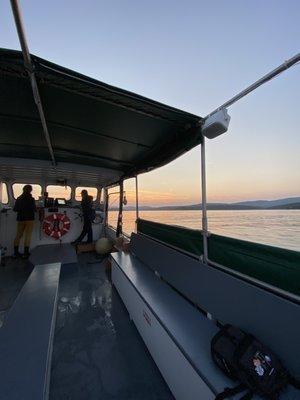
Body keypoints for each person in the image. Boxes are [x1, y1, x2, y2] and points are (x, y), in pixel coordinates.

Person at [13, 184, 36, 258]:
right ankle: (26, 253)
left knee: (18, 235)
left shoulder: (19, 198)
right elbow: (34, 209)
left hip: (21, 219)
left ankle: (16, 253)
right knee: (28, 236)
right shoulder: (31, 199)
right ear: (30, 190)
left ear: (23, 190)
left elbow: (15, 209)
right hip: (29, 219)